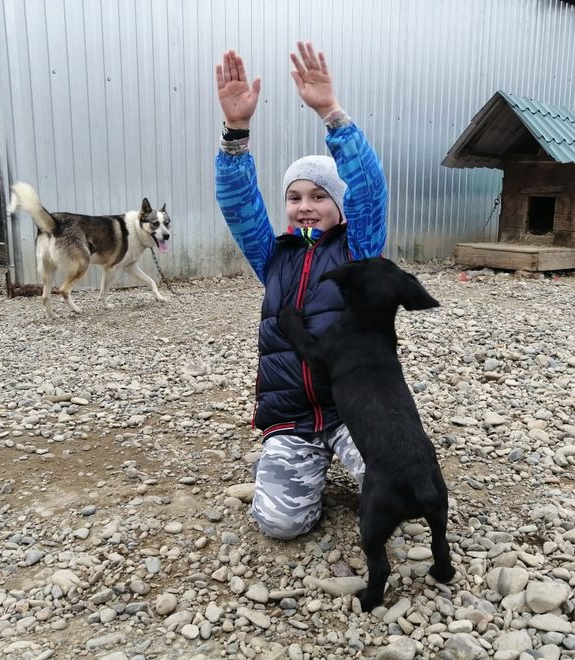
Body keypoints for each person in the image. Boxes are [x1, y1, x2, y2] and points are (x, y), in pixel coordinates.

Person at [214, 42, 388, 540]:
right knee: (279, 524)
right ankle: (299, 475)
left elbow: (370, 189)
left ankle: (361, 459)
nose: (305, 206)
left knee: (403, 493)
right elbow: (237, 202)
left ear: (339, 205)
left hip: (354, 408)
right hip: (291, 417)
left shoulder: (360, 248)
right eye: (294, 197)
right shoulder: (273, 256)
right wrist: (235, 134)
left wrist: (332, 115)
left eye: (318, 196)